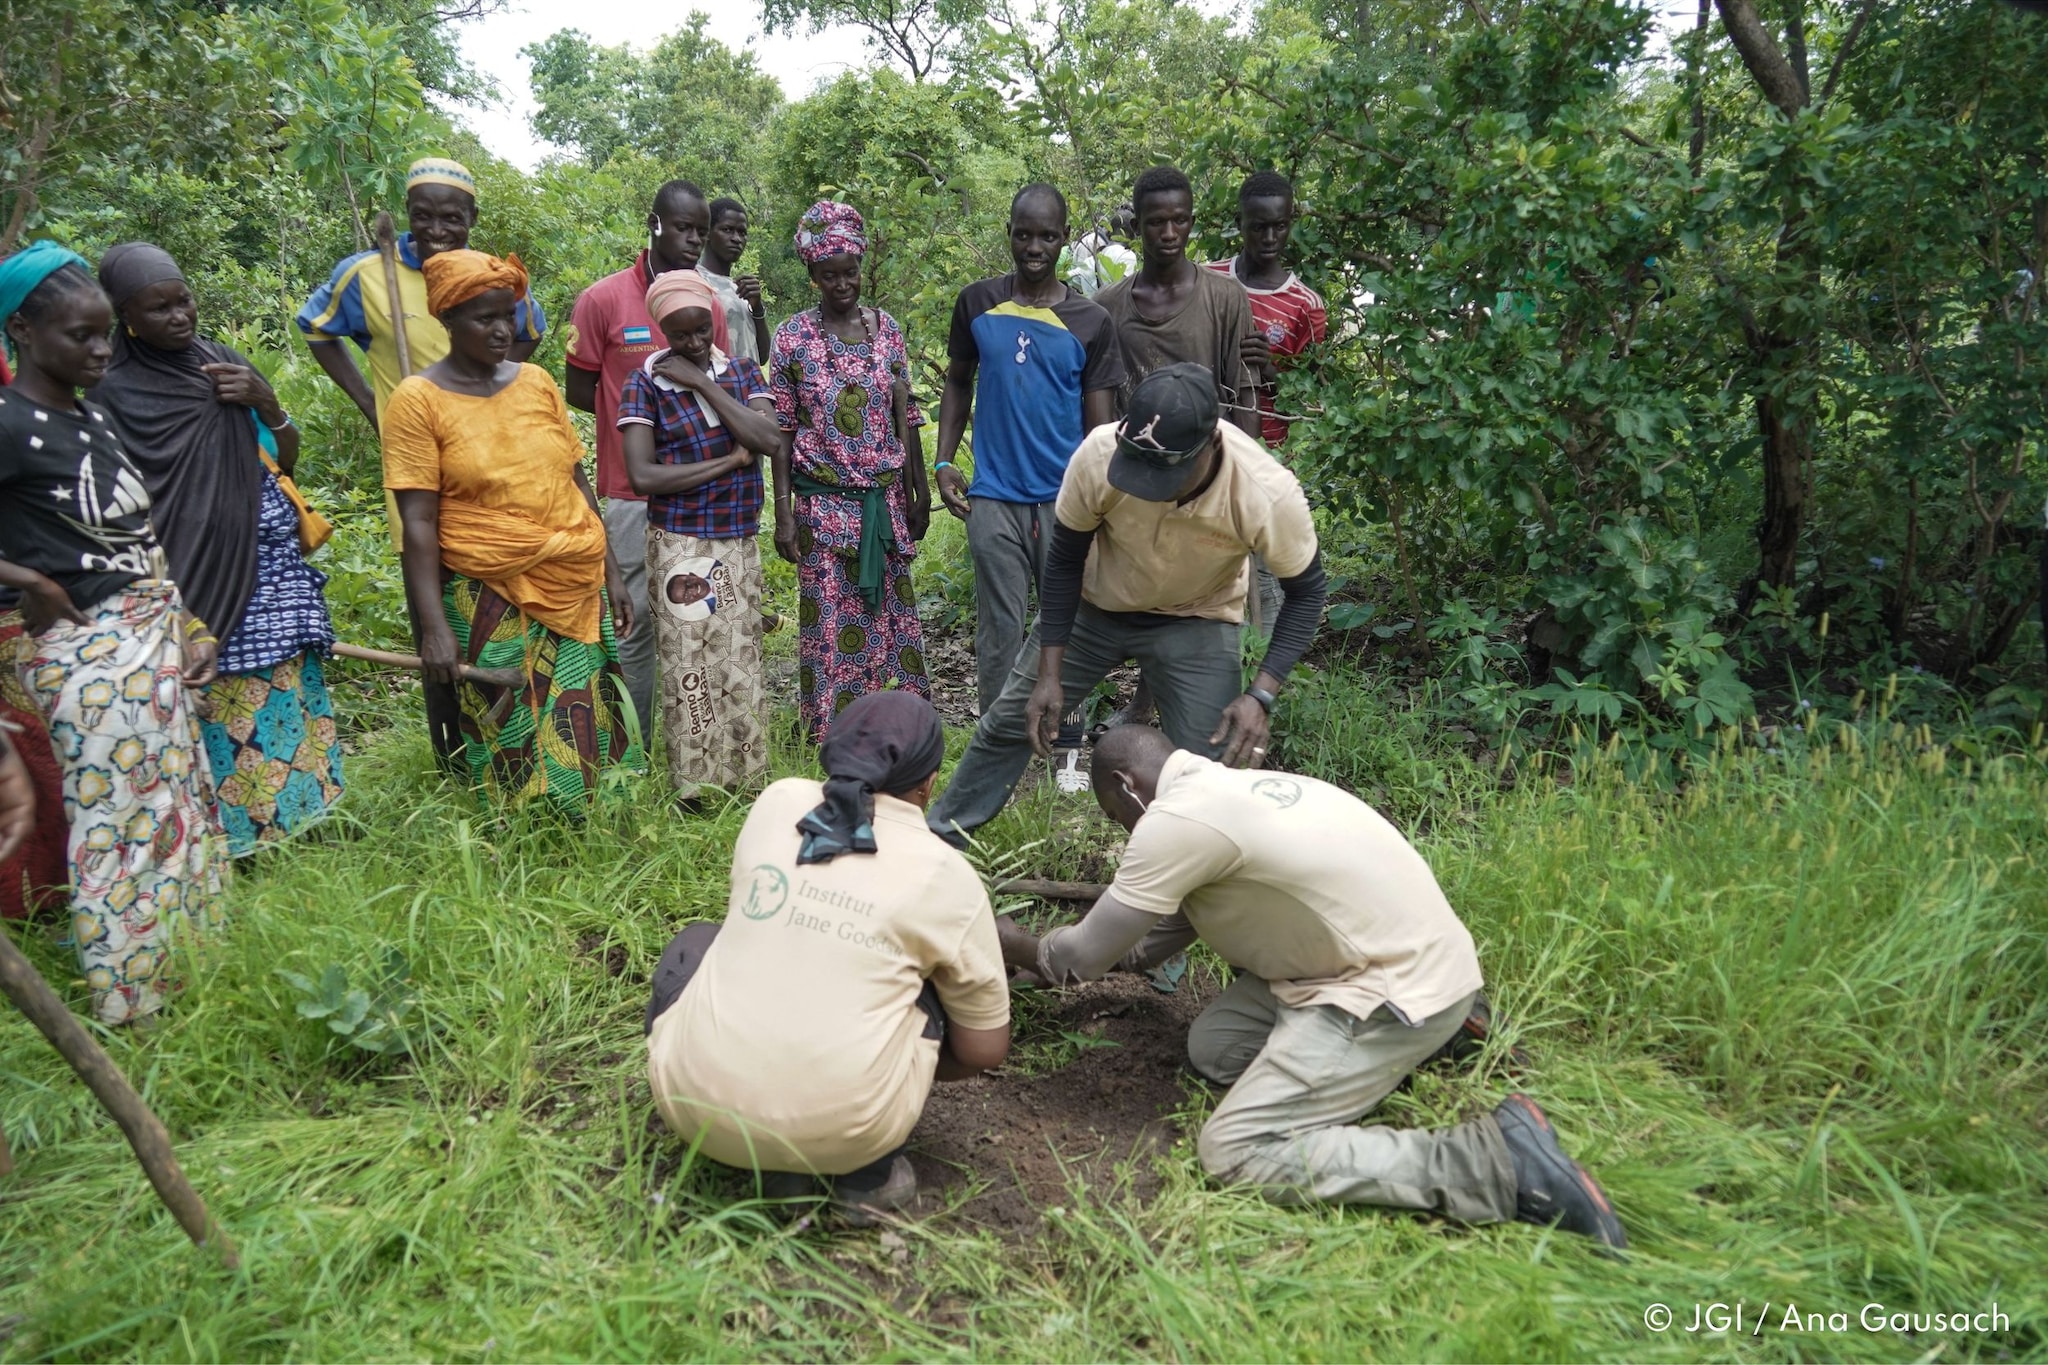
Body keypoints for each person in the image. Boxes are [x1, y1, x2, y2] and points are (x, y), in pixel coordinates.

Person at [996, 725, 1628, 1250]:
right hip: (1404, 958)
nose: (1121, 833)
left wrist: (1003, 937)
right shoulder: (1231, 792)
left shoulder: (1174, 824)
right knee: (1214, 1047)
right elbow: (1136, 948)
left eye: (1114, 817)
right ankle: (1442, 1034)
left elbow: (1078, 957)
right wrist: (1053, 962)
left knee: (1237, 1150)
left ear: (1125, 787)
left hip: (1382, 986)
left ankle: (1496, 1164)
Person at [645, 691, 1011, 1222]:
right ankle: (862, 1172)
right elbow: (984, 1049)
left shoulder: (777, 802)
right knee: (925, 989)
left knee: (698, 942)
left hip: (693, 1112)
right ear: (929, 783)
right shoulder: (946, 874)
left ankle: (736, 1117)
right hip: (849, 1133)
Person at [926, 364, 1327, 844]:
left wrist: (1260, 694)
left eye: (1165, 475)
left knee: (1212, 769)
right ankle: (939, 843)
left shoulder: (1265, 492)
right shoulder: (1098, 454)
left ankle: (1205, 877)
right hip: (1095, 608)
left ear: (1211, 446)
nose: (1147, 487)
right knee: (1013, 720)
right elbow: (1065, 561)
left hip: (1197, 616)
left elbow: (1307, 593)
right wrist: (1050, 674)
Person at [0, 242, 224, 1025]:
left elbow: (139, 538)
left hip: (148, 634)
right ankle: (130, 998)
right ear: (22, 331)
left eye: (103, 335)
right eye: (81, 337)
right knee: (117, 823)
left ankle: (191, 968)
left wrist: (190, 625)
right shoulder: (8, 423)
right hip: (81, 651)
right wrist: (27, 581)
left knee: (175, 808)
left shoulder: (89, 413)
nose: (101, 352)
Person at [89, 243, 343, 858]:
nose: (180, 317)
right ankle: (238, 843)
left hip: (268, 570)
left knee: (286, 691)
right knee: (223, 705)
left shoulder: (221, 363)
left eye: (184, 301)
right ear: (125, 317)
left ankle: (308, 823)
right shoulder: (110, 394)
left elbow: (285, 460)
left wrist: (266, 402)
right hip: (189, 574)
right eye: (159, 309)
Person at [298, 157, 547, 768]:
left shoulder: (486, 278)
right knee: (433, 607)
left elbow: (527, 337)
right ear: (407, 215)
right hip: (417, 471)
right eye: (424, 215)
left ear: (472, 220)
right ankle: (451, 753)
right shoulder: (366, 275)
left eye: (452, 218)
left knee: (500, 603)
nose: (438, 229)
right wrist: (370, 403)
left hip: (493, 473)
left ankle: (521, 747)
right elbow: (316, 328)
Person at [380, 249, 640, 814]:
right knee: (508, 721)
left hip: (574, 578)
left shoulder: (537, 383)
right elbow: (419, 522)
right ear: (446, 321)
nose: (504, 331)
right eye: (485, 318)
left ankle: (590, 826)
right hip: (490, 593)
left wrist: (611, 573)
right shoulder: (417, 401)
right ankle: (524, 836)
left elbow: (576, 480)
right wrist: (432, 628)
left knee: (583, 709)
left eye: (509, 314)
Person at [934, 184, 1126, 717]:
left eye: (1046, 235)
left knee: (1069, 626)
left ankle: (1064, 744)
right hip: (993, 498)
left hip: (1066, 504)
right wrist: (945, 461)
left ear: (1065, 239)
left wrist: (1102, 503)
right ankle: (1001, 745)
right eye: (1024, 234)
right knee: (1000, 628)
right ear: (1009, 235)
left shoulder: (1091, 322)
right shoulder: (977, 303)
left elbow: (1100, 428)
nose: (1034, 246)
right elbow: (957, 381)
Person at [1096, 166, 1264, 725]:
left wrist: (1248, 473)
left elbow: (1243, 392)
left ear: (1192, 222)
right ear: (1137, 228)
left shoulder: (1223, 297)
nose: (1169, 232)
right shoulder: (1109, 306)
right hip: (1137, 472)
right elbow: (1096, 397)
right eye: (1156, 222)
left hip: (1205, 473)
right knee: (1146, 587)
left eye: (1179, 220)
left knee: (1200, 595)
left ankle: (1195, 711)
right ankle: (1138, 706)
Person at [565, 180, 731, 737]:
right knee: (634, 620)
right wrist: (639, 420)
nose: (692, 240)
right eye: (683, 227)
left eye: (700, 232)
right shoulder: (603, 299)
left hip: (704, 495)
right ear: (655, 223)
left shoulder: (707, 303)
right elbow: (580, 389)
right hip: (633, 491)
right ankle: (629, 744)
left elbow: (720, 384)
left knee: (700, 619)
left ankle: (695, 740)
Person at [770, 201, 934, 742]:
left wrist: (919, 491)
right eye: (829, 274)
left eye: (850, 272)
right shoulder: (792, 338)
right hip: (823, 506)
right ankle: (832, 731)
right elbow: (783, 431)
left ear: (862, 268)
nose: (843, 283)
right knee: (832, 624)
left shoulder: (886, 330)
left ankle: (896, 731)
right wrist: (784, 514)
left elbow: (905, 414)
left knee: (889, 619)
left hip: (882, 506)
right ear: (813, 276)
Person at [619, 270, 780, 803]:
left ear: (713, 322)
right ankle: (697, 789)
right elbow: (644, 476)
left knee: (740, 662)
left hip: (737, 540)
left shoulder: (740, 372)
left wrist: (704, 383)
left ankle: (747, 780)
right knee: (690, 669)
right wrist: (730, 462)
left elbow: (769, 440)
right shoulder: (643, 383)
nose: (692, 344)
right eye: (680, 335)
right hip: (682, 546)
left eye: (701, 332)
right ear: (661, 328)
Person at [1205, 171, 1327, 451]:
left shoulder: (1305, 305)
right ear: (1240, 224)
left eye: (1280, 226)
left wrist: (1267, 367)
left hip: (1271, 453)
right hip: (1206, 442)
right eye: (1260, 228)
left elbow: (1309, 401)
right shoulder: (1208, 279)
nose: (1271, 238)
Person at [701, 196, 772, 365]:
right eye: (727, 230)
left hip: (749, 389)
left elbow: (763, 357)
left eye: (742, 232)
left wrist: (757, 307)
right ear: (707, 233)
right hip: (717, 389)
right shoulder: (696, 283)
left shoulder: (739, 289)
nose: (737, 239)